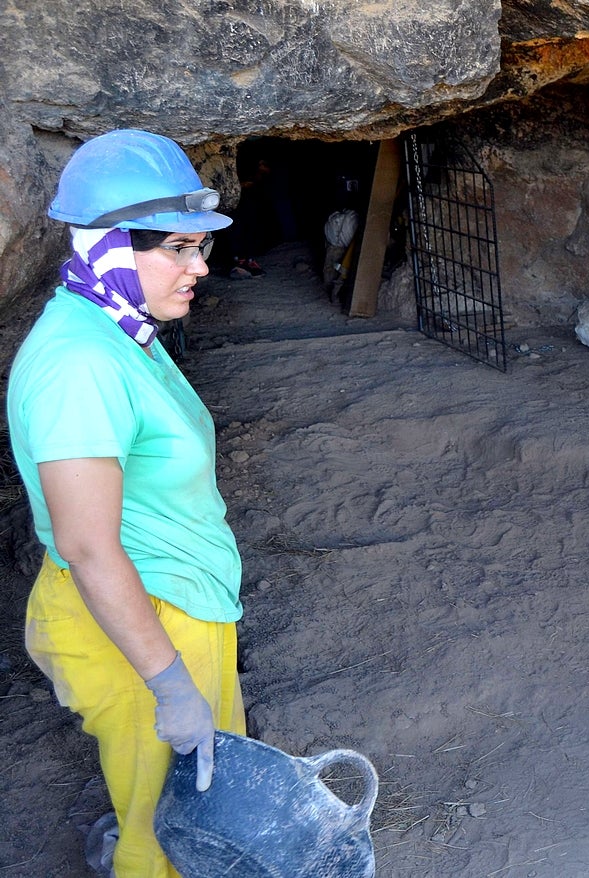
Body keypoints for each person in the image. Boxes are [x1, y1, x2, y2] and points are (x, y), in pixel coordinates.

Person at [7, 129, 247, 877]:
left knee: (190, 810)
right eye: (176, 247)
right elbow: (86, 545)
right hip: (145, 624)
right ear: (109, 247)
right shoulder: (80, 364)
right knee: (166, 836)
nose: (198, 265)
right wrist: (171, 683)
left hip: (174, 604)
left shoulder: (117, 333)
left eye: (196, 246)